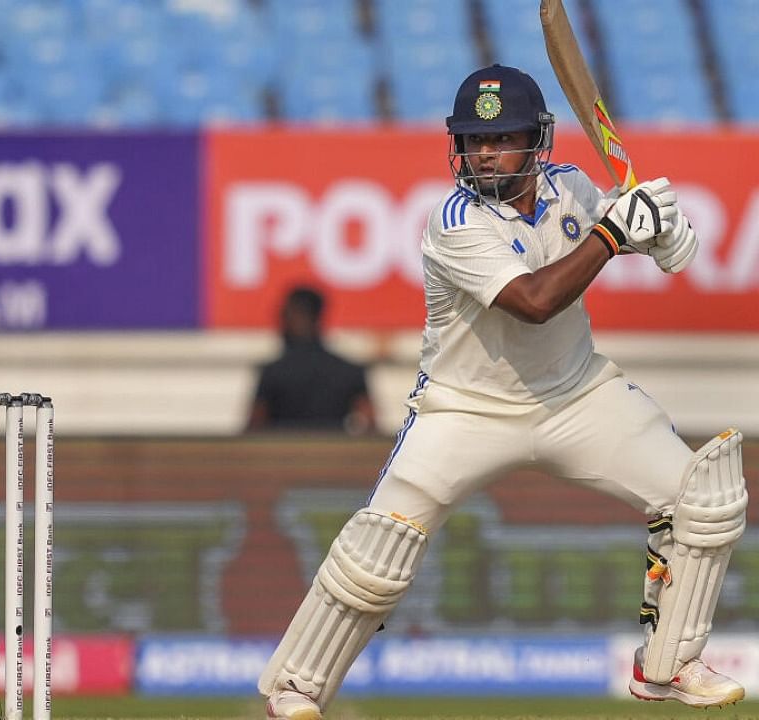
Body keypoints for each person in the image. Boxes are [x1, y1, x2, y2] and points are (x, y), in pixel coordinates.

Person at [259, 64, 745, 720]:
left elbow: (625, 236)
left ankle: (668, 664)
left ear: (535, 140)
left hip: (575, 394)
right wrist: (614, 235)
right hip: (463, 408)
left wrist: (660, 230)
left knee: (704, 498)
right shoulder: (454, 221)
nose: (484, 152)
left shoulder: (570, 186)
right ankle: (296, 688)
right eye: (473, 139)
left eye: (502, 138)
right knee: (381, 545)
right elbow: (536, 300)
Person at [247, 286, 375, 434]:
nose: (280, 326)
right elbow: (370, 426)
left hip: (283, 454)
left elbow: (254, 428)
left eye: (284, 316)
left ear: (295, 315)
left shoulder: (273, 372)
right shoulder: (349, 371)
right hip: (335, 453)